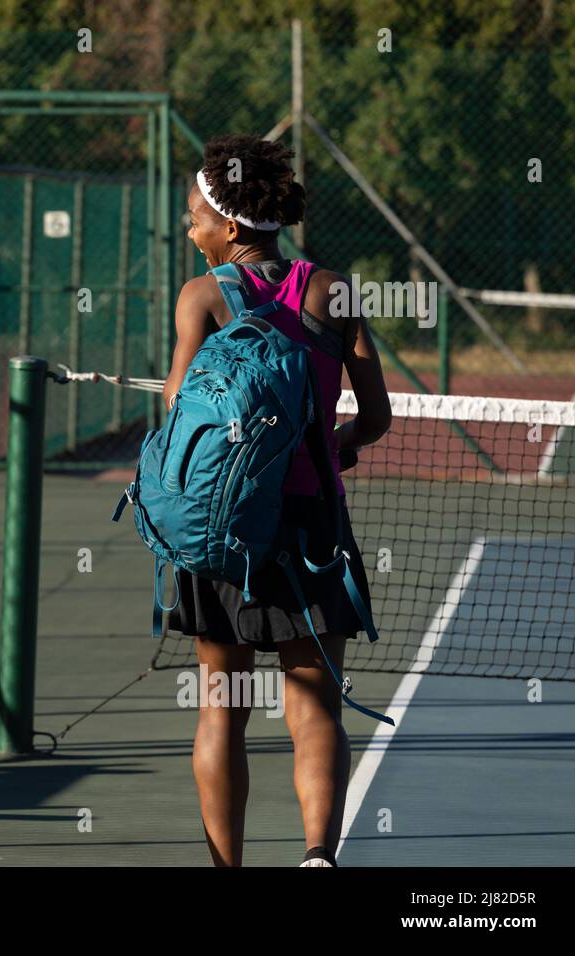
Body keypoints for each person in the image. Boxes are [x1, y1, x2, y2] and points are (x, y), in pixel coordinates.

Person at [162, 134, 393, 867]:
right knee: (314, 703)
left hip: (222, 529)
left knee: (221, 705)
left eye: (194, 215)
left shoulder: (201, 297)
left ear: (229, 227)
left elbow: (176, 419)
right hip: (312, 524)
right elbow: (378, 416)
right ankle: (318, 857)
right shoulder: (337, 289)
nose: (189, 228)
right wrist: (332, 447)